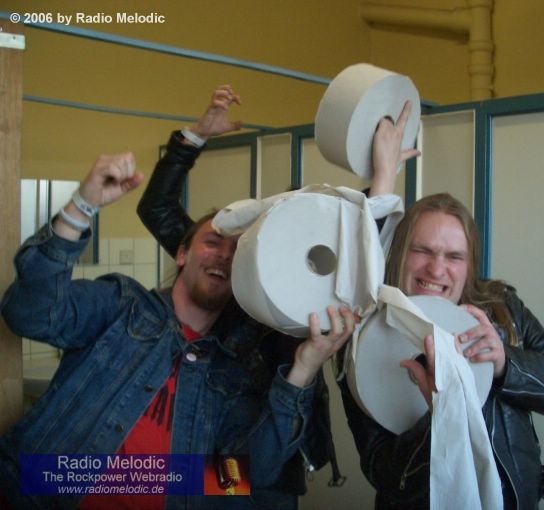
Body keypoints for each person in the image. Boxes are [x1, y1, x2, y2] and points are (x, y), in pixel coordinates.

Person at [0, 152, 356, 510]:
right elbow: (29, 314)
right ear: (182, 254)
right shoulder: (122, 307)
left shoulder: (233, 373)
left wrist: (304, 368)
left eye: (237, 252)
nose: (224, 255)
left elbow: (248, 476)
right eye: (213, 242)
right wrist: (81, 207)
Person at [135, 85, 420, 503]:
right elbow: (157, 208)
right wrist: (194, 137)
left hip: (271, 467)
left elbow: (355, 256)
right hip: (203, 452)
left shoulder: (309, 295)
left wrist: (383, 179)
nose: (225, 255)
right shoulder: (226, 274)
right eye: (214, 243)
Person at [338, 193, 544, 509]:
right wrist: (441, 415)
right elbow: (385, 475)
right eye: (422, 251)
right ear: (399, 253)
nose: (437, 270)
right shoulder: (363, 340)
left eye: (454, 256)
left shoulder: (503, 309)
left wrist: (506, 364)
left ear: (469, 266)